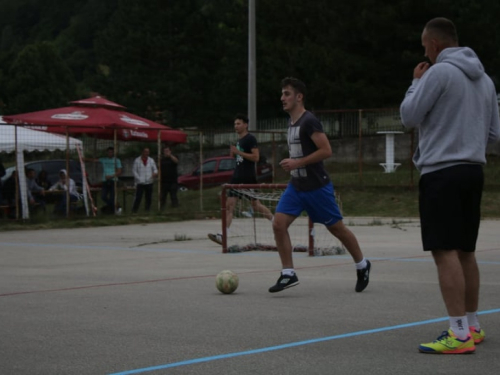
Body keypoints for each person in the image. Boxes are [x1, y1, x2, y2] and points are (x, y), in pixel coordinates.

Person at [400, 18, 500, 354]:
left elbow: (409, 116)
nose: (423, 51)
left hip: (442, 172)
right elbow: (495, 135)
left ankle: (457, 334)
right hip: (473, 170)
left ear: (436, 44)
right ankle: (472, 324)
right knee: (466, 252)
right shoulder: (484, 80)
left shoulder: (438, 73)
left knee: (444, 251)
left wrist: (415, 83)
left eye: (424, 45)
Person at [268, 77, 371, 294]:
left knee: (337, 229)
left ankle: (362, 264)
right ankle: (288, 273)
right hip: (296, 187)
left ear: (299, 96)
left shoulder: (309, 121)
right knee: (278, 224)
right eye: (282, 94)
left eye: (287, 93)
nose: (282, 98)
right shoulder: (292, 122)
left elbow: (326, 150)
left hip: (316, 188)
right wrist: (295, 165)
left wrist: (297, 162)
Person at [208, 114, 273, 245]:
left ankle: (276, 222)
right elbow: (240, 159)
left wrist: (239, 153)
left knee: (256, 205)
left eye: (238, 124)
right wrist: (234, 154)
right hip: (237, 176)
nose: (236, 126)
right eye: (235, 124)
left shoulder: (250, 139)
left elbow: (255, 157)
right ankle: (222, 234)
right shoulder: (239, 141)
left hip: (247, 177)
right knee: (229, 206)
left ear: (245, 125)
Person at [85, 147, 122, 213]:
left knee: (112, 197)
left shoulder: (117, 160)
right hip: (105, 181)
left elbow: (119, 171)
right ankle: (115, 207)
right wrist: (84, 159)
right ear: (107, 153)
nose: (110, 153)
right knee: (103, 196)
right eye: (109, 152)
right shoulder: (104, 159)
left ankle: (113, 210)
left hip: (113, 180)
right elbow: (94, 160)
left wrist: (111, 176)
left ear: (113, 153)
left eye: (111, 152)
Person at [132, 148, 158, 213]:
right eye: (145, 152)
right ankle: (134, 210)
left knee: (148, 197)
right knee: (138, 197)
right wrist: (139, 178)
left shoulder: (151, 160)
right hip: (140, 182)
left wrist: (154, 173)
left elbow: (155, 169)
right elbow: (134, 171)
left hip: (149, 181)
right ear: (142, 152)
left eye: (148, 152)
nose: (147, 153)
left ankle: (147, 210)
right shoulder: (137, 160)